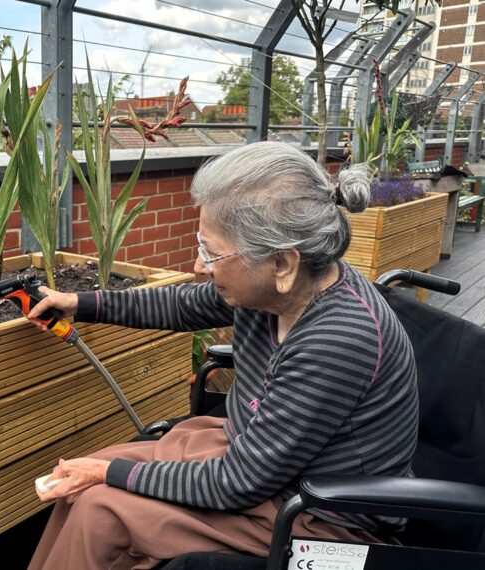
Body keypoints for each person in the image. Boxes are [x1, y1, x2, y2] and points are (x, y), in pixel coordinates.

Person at [25, 141, 418, 569]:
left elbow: (237, 484)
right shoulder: (275, 289)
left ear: (283, 264)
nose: (198, 266)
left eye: (211, 253)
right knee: (81, 481)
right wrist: (80, 303)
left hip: (319, 514)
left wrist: (107, 476)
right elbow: (181, 305)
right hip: (257, 458)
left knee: (101, 509)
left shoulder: (336, 340)